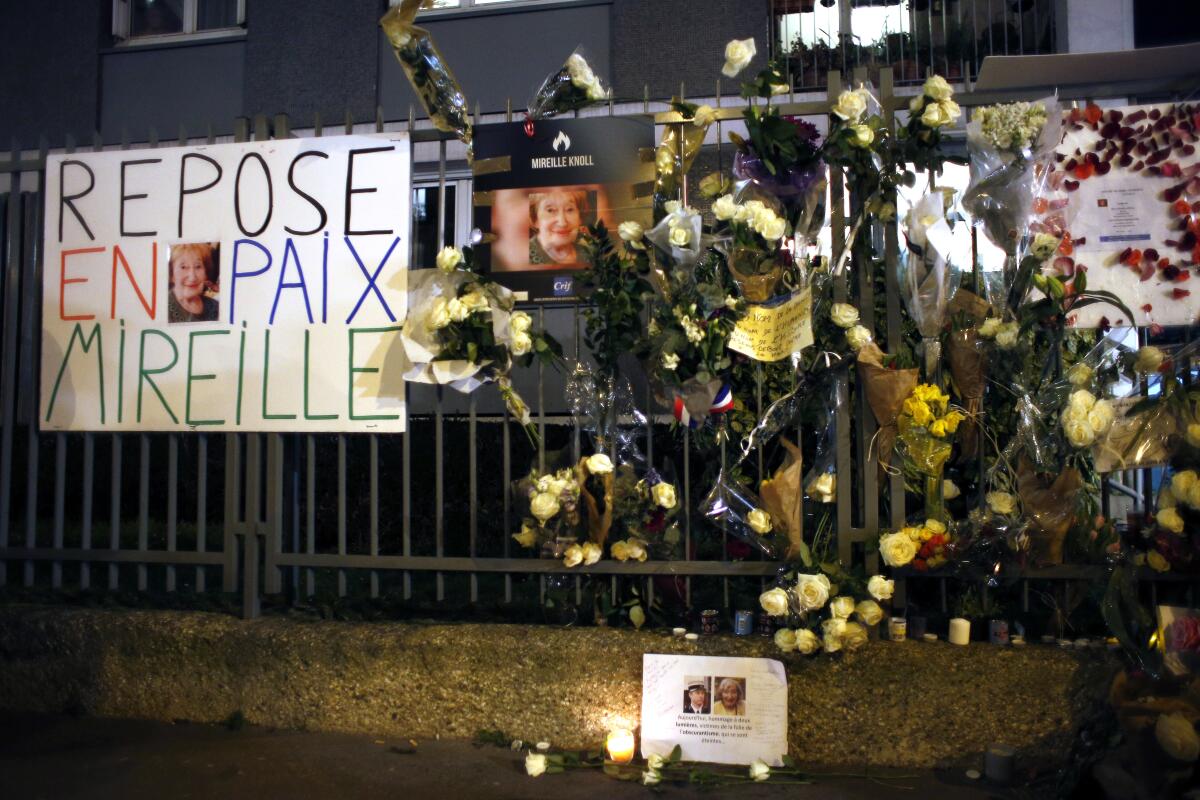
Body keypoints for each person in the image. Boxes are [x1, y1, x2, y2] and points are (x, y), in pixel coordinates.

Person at [528, 188, 588, 265]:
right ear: (535, 219)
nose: (562, 223)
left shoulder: (591, 252)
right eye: (550, 210)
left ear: (580, 218)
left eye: (569, 209)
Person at [168, 243, 219, 323]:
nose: (192, 277)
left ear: (206, 273)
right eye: (183, 267)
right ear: (171, 274)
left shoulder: (216, 307)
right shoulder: (162, 309)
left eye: (198, 266)